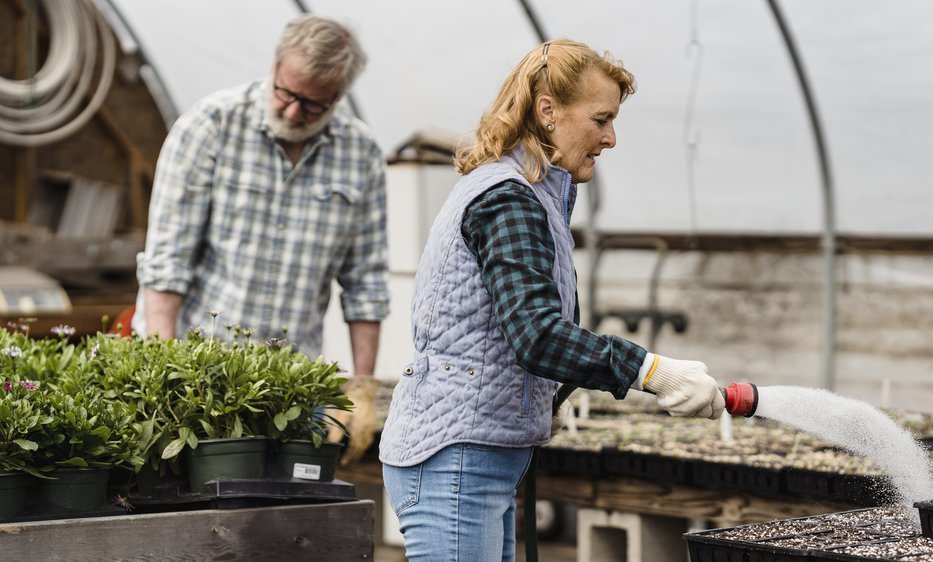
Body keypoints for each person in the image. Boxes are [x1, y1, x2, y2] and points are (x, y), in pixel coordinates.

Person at [379, 39, 726, 561]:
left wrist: (545, 398)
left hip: (477, 457)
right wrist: (652, 372)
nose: (611, 138)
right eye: (601, 119)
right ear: (548, 112)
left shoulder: (534, 194)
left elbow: (509, 329)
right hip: (455, 460)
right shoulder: (508, 200)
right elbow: (536, 335)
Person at [133, 15, 387, 464]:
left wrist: (361, 389)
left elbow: (365, 282)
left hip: (294, 384)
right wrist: (164, 375)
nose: (293, 112)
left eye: (313, 105)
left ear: (338, 97)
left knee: (287, 523)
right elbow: (166, 264)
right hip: (199, 374)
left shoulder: (360, 153)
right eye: (286, 93)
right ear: (274, 66)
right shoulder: (210, 126)